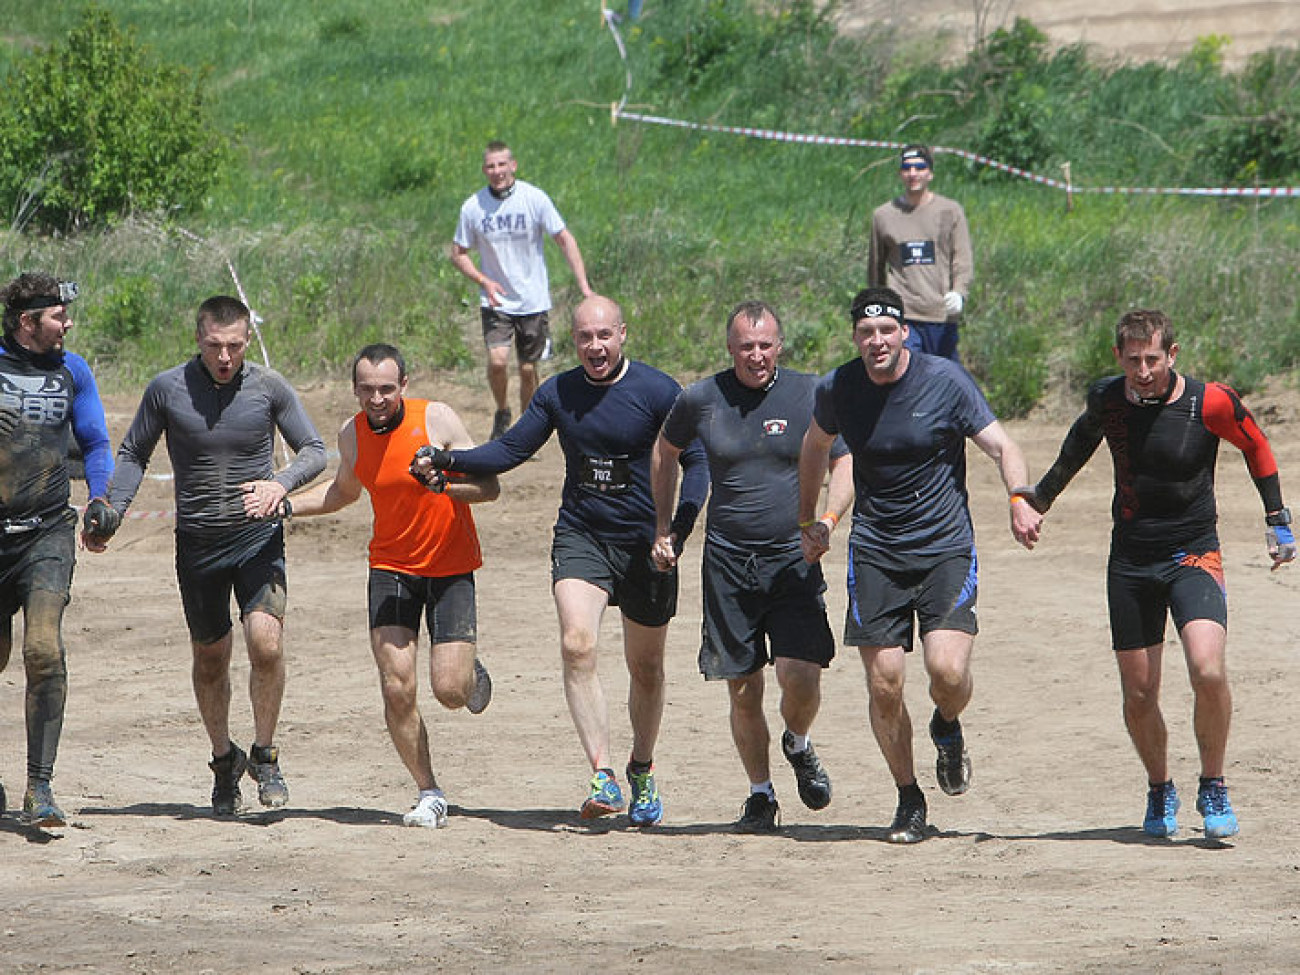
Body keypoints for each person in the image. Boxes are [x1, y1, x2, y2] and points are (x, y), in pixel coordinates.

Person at [417, 295, 707, 826]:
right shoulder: (559, 393)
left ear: (623, 334)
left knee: (646, 668)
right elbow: (510, 451)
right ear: (572, 341)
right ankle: (603, 774)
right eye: (584, 338)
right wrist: (448, 459)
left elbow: (699, 463)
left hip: (647, 545)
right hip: (582, 535)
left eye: (604, 336)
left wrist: (677, 530)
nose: (595, 346)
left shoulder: (660, 391)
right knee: (578, 644)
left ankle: (641, 767)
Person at [1020, 310, 1294, 839]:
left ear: (1172, 355)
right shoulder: (1109, 400)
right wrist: (1041, 500)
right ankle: (1159, 786)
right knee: (1140, 695)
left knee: (1207, 669)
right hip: (1130, 561)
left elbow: (1257, 445)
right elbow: (1080, 444)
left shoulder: (1208, 401)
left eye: (1152, 359)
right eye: (1132, 360)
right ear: (1118, 357)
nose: (1142, 370)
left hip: (1194, 554)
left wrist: (1277, 520)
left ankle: (1212, 783)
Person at [798, 286, 1041, 844]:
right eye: (866, 332)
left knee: (948, 674)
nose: (877, 340)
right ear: (855, 336)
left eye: (887, 330)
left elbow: (1004, 446)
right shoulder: (839, 387)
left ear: (904, 332)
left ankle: (947, 725)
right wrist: (806, 517)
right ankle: (909, 797)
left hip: (944, 548)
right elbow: (815, 447)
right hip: (877, 551)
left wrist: (1018, 499)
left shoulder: (944, 381)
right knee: (884, 685)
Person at [85, 296, 326, 817]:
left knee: (266, 642)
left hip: (257, 537)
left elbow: (314, 449)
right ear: (198, 340)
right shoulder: (167, 388)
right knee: (210, 657)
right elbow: (132, 454)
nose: (225, 357)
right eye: (215, 346)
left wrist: (278, 485)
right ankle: (224, 761)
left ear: (246, 340)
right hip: (197, 544)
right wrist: (113, 510)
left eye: (235, 346)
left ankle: (265, 754)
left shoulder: (268, 385)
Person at [650, 300, 853, 833]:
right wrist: (662, 526)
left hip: (793, 557)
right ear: (730, 348)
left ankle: (798, 742)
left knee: (801, 676)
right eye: (746, 347)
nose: (756, 356)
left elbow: (844, 460)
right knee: (742, 686)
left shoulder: (811, 394)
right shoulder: (700, 399)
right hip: (728, 563)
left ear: (780, 346)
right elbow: (664, 453)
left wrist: (828, 519)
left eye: (765, 346)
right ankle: (760, 795)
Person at [288, 344, 499, 828]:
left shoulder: (437, 420)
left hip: (450, 566)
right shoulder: (352, 434)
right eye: (367, 389)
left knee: (447, 689)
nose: (377, 398)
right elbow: (343, 491)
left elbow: (489, 486)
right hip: (390, 569)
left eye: (386, 388)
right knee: (397, 686)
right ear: (355, 389)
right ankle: (429, 791)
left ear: (404, 385)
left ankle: (466, 674)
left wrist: (444, 481)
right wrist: (285, 505)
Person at [0, 273, 113, 827]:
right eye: (58, 316)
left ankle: (39, 787)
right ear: (28, 323)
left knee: (43, 649)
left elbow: (94, 441)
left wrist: (99, 498)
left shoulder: (74, 370)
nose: (66, 324)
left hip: (47, 532)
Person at [451, 140, 595, 440]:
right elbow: (458, 252)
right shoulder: (473, 207)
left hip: (532, 299)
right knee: (498, 361)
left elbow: (564, 238)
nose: (497, 171)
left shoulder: (534, 198)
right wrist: (483, 281)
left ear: (512, 165)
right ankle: (502, 411)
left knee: (528, 369)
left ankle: (528, 428)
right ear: (484, 170)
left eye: (502, 164)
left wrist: (584, 285)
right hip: (496, 299)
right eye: (490, 166)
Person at [868, 144, 973, 362]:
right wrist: (877, 306)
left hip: (940, 314)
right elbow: (875, 267)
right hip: (903, 315)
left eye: (919, 167)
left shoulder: (950, 211)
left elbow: (962, 259)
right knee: (911, 377)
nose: (913, 174)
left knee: (945, 379)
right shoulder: (883, 216)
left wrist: (959, 292)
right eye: (907, 168)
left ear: (930, 173)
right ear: (900, 174)